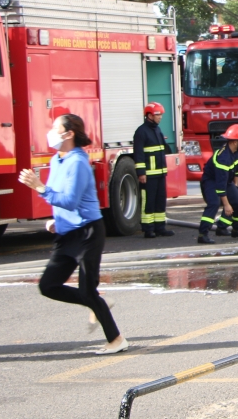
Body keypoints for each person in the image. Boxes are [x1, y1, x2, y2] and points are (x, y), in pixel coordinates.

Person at [18, 114, 128, 355]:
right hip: (68, 233)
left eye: (55, 128)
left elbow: (70, 200)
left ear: (68, 134)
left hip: (88, 232)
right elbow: (59, 198)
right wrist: (56, 221)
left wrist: (38, 186)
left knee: (88, 290)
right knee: (48, 286)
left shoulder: (78, 161)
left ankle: (116, 339)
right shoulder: (57, 160)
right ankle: (98, 302)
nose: (50, 131)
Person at [198, 124, 238, 244]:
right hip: (211, 180)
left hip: (226, 180)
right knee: (214, 203)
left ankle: (236, 230)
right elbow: (220, 185)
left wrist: (236, 185)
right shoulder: (223, 158)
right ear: (234, 142)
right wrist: (227, 205)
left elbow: (237, 169)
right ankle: (203, 234)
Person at [133, 102, 173, 239]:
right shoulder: (141, 132)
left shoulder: (157, 129)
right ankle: (148, 229)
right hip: (149, 174)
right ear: (149, 115)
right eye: (158, 114)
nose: (160, 117)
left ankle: (160, 227)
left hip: (160, 172)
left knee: (160, 200)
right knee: (148, 201)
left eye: (161, 114)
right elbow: (138, 154)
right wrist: (141, 173)